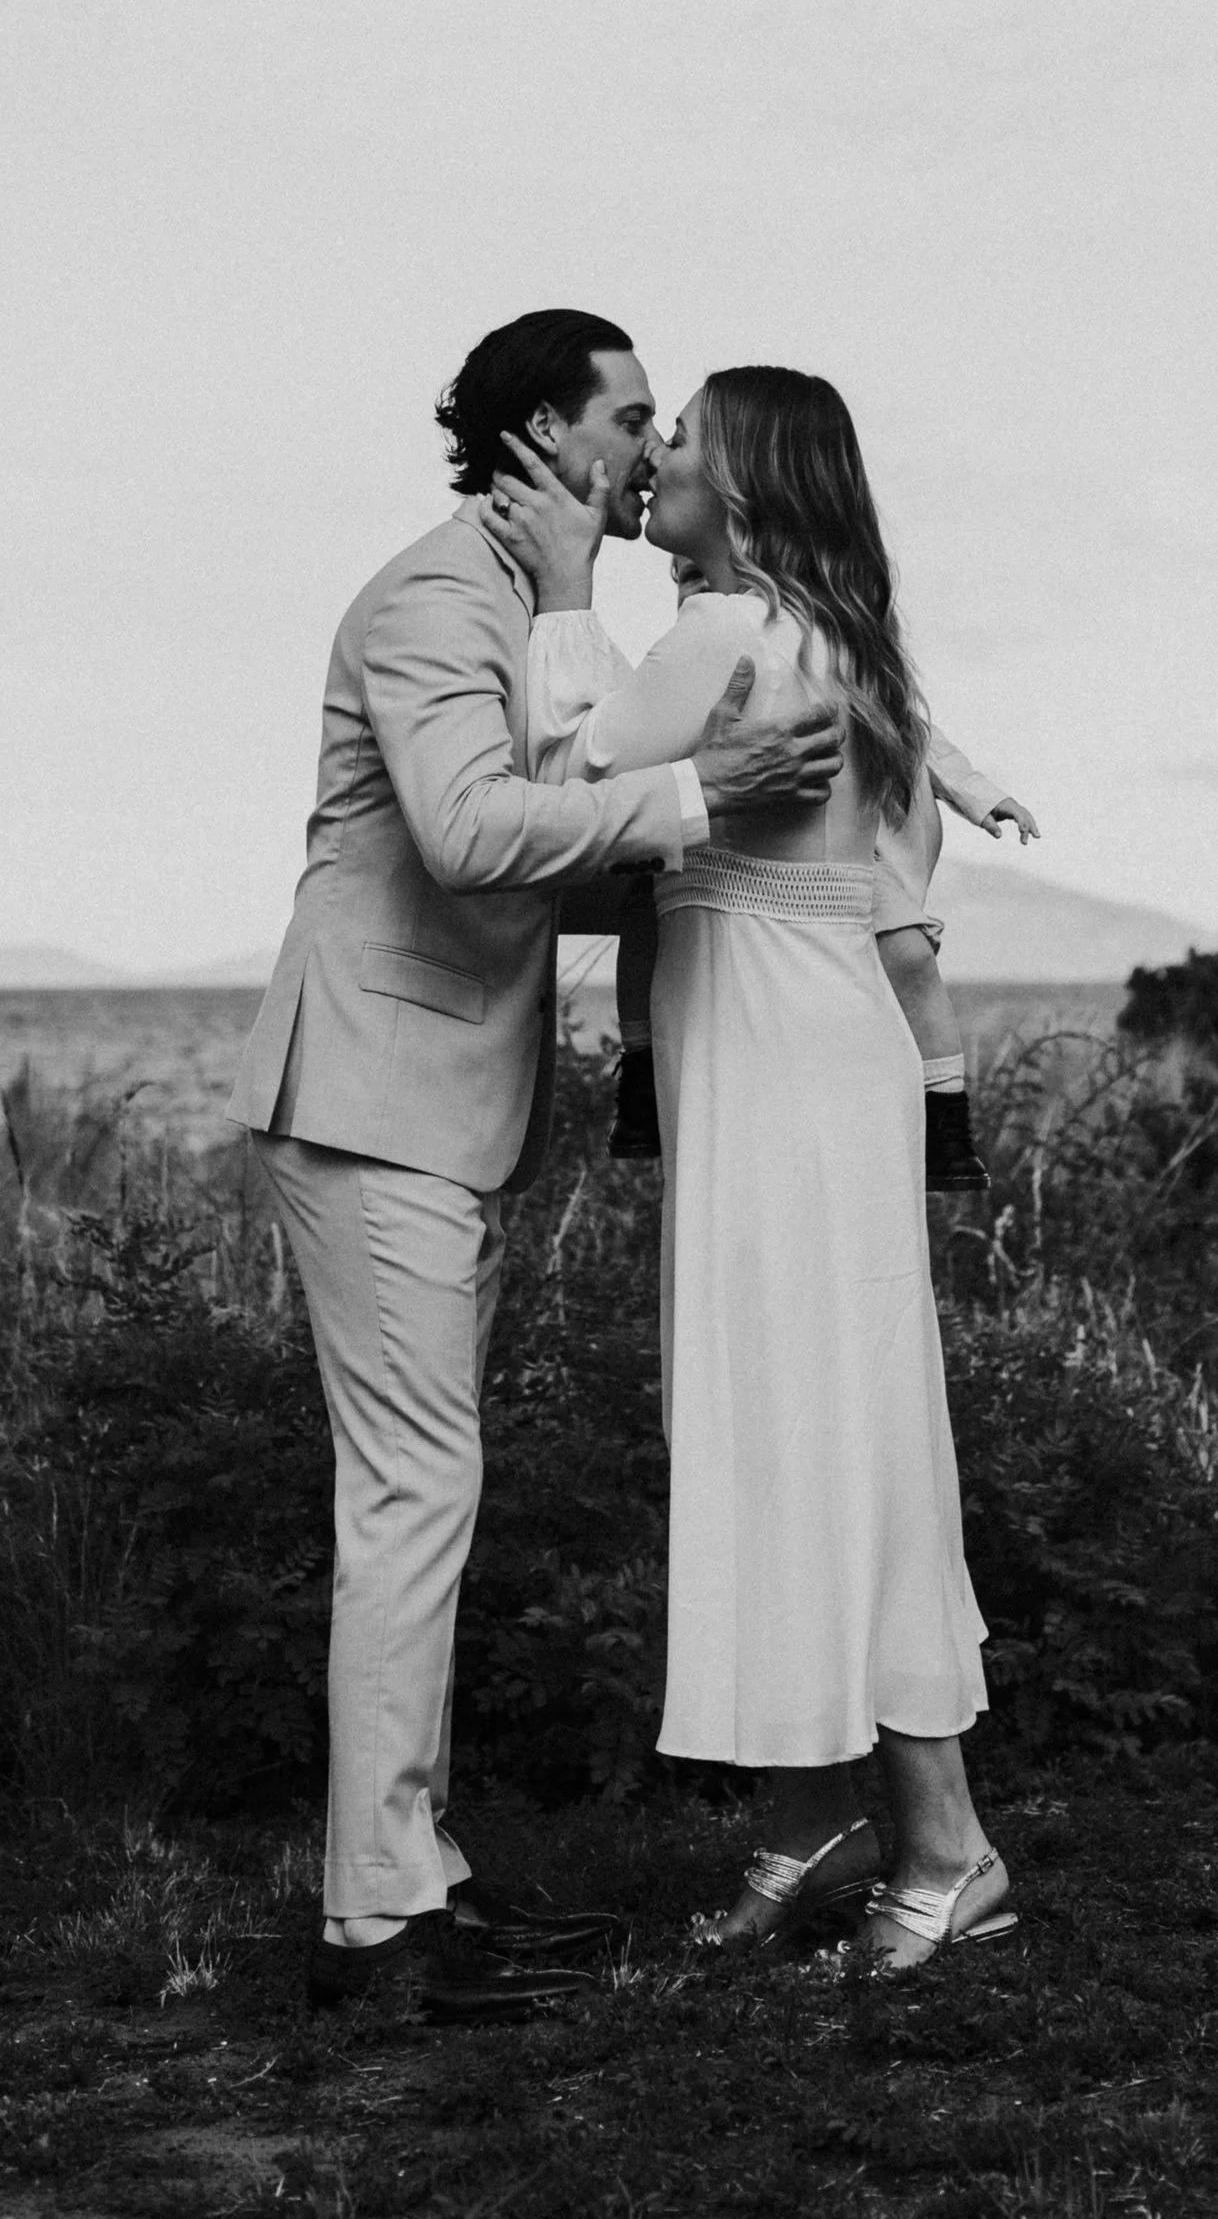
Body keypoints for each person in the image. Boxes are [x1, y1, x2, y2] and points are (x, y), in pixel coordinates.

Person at [227, 310, 845, 2023]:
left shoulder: (528, 606)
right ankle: (378, 1927)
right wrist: (702, 798)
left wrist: (734, 866)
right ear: (543, 437)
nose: (651, 450)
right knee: (411, 1498)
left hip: (432, 1104)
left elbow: (550, 843)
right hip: (371, 1101)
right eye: (631, 418)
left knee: (425, 1494)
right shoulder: (436, 602)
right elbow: (469, 832)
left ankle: (416, 1880)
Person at [488, 367, 1016, 1978]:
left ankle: (949, 1847)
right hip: (814, 1055)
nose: (658, 458)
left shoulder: (724, 631)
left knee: (815, 1434)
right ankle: (814, 1818)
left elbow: (562, 770)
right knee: (804, 1428)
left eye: (690, 439)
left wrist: (563, 588)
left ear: (753, 487)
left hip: (782, 1069)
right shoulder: (831, 634)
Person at [607, 564, 1039, 1192]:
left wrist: (983, 796)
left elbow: (916, 733)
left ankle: (945, 1117)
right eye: (682, 580)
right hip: (719, 861)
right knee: (640, 915)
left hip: (838, 857)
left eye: (703, 574)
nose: (693, 590)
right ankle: (641, 1074)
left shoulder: (812, 656)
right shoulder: (688, 667)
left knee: (909, 956)